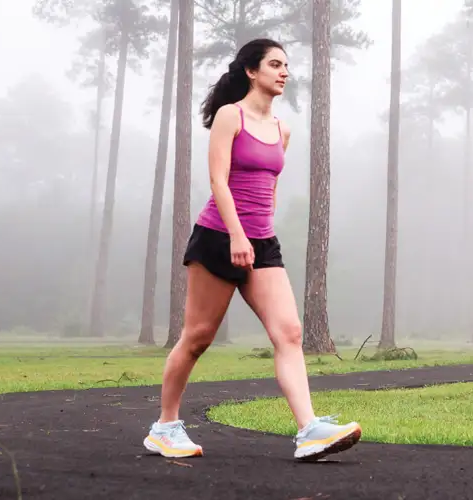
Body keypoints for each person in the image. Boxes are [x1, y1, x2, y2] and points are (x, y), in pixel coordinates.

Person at [142, 38, 361, 462]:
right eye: (275, 64)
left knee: (290, 332)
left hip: (262, 242)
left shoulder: (283, 129)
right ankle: (165, 427)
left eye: (286, 66)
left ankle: (310, 429)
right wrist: (238, 234)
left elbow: (270, 188)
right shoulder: (230, 116)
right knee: (197, 338)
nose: (284, 72)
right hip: (219, 237)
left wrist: (261, 234)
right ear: (251, 71)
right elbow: (219, 181)